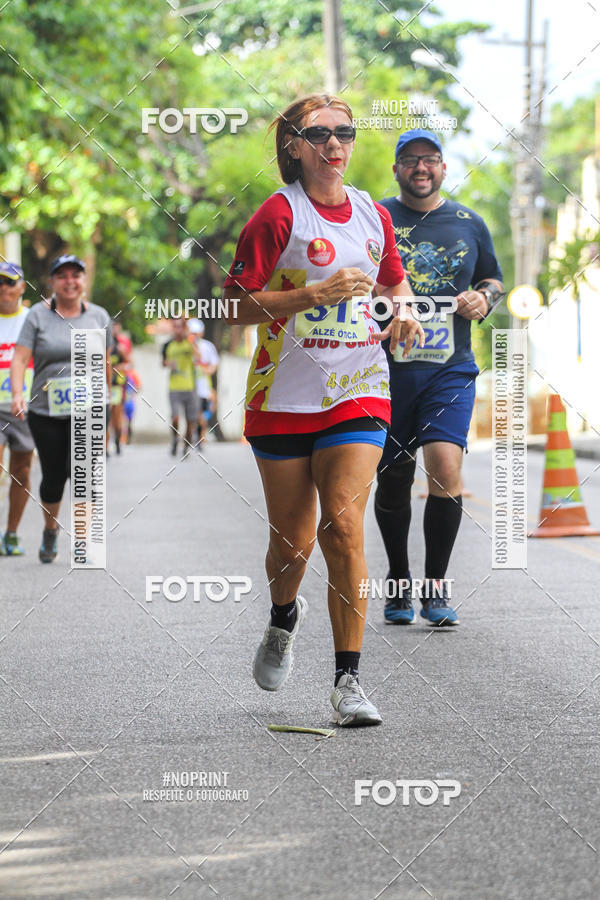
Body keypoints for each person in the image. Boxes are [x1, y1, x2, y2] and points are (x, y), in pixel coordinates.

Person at [223, 94, 423, 727]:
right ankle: (284, 618)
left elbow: (392, 279)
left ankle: (348, 682)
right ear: (294, 145)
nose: (335, 144)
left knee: (342, 526)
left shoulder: (370, 212)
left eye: (345, 133)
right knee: (293, 540)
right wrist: (313, 293)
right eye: (320, 134)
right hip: (282, 396)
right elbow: (234, 307)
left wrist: (406, 310)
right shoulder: (277, 216)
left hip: (359, 387)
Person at [375, 129, 504, 626]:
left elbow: (492, 278)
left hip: (449, 369)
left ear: (444, 168)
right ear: (396, 169)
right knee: (393, 481)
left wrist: (484, 298)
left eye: (430, 160)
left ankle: (435, 589)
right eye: (410, 160)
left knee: (445, 468)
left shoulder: (469, 222)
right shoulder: (377, 217)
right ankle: (399, 582)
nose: (420, 168)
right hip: (384, 373)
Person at [10, 254, 111, 563]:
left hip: (91, 408)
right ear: (52, 282)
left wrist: (107, 398)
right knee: (53, 477)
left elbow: (105, 362)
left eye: (76, 275)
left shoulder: (99, 316)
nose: (70, 281)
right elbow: (19, 358)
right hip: (46, 411)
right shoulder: (37, 317)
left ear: (83, 281)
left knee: (84, 474)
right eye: (62, 275)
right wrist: (17, 393)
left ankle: (82, 541)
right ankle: (50, 530)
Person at [0, 262, 34, 555]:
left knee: (21, 473)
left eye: (10, 283)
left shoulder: (32, 320)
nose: (3, 288)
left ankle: (10, 534)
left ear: (22, 287)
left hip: (26, 407)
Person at [162, 317, 202, 457]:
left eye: (180, 327)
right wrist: (168, 364)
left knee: (191, 420)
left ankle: (186, 446)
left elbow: (198, 357)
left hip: (190, 387)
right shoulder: (168, 345)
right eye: (175, 327)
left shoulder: (190, 343)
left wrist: (189, 339)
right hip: (174, 387)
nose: (177, 330)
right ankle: (174, 439)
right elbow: (163, 362)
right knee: (175, 417)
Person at [188, 319, 219, 448]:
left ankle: (201, 437)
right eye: (192, 333)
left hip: (203, 384)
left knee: (201, 411)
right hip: (188, 383)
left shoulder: (207, 346)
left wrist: (207, 371)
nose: (194, 336)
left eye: (196, 333)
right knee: (191, 411)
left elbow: (214, 363)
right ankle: (191, 435)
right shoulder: (185, 346)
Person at [108, 326, 127, 456]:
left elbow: (128, 363)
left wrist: (115, 368)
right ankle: (105, 447)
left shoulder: (118, 349)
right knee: (105, 417)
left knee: (116, 416)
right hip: (103, 386)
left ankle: (117, 441)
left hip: (116, 386)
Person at [122, 362, 141, 444]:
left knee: (129, 420)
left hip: (130, 400)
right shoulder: (121, 373)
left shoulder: (133, 374)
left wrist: (132, 392)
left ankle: (128, 438)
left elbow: (139, 387)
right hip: (122, 399)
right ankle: (122, 438)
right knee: (122, 419)